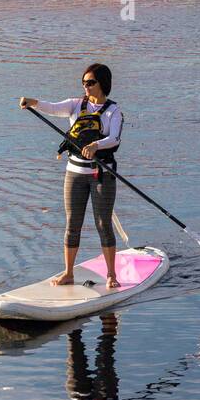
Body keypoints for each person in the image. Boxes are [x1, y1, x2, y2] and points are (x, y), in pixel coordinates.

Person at [20, 64, 123, 290]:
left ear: (102, 84)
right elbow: (52, 108)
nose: (85, 87)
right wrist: (33, 102)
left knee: (103, 224)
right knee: (72, 224)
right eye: (83, 83)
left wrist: (96, 145)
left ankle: (111, 274)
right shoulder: (76, 105)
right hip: (74, 173)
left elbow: (114, 138)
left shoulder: (113, 111)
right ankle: (68, 273)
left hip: (101, 175)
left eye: (90, 83)